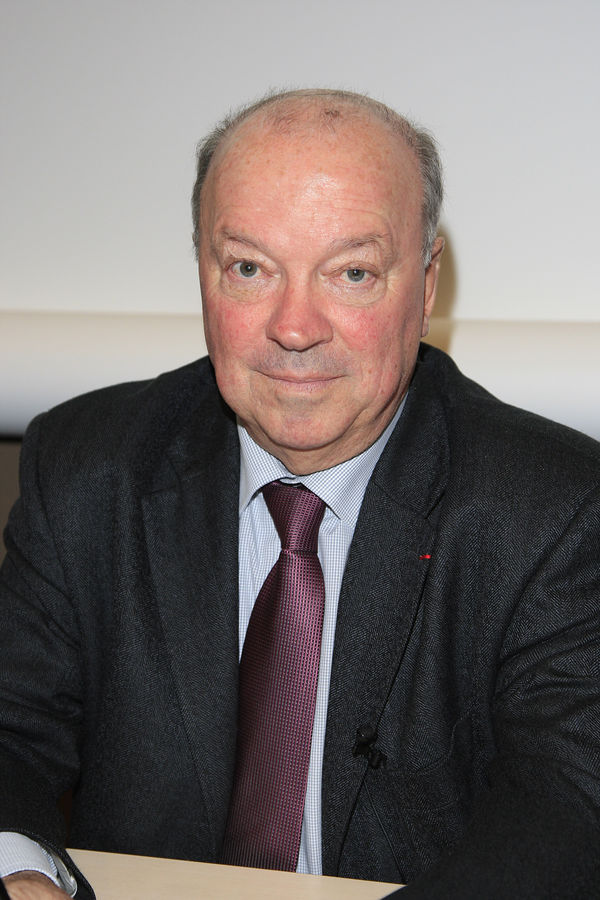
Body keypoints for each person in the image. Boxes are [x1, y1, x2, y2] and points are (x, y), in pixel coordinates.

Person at [1, 88, 599, 900]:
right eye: (250, 268)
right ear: (204, 274)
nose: (294, 327)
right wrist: (16, 869)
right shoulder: (86, 470)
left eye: (352, 273)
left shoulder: (553, 511)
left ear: (426, 287)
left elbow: (565, 812)